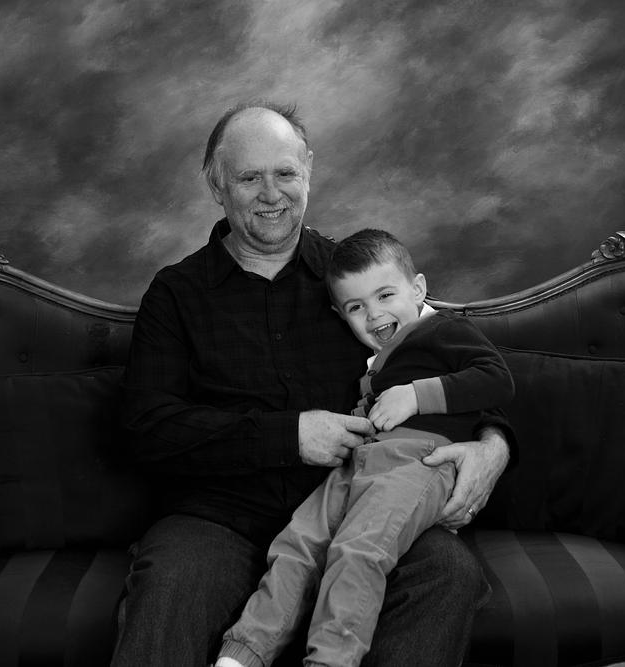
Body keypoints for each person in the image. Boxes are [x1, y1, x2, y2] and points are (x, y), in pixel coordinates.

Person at [112, 101, 512, 666]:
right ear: (216, 185)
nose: (271, 193)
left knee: (447, 573)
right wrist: (289, 436)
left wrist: (492, 448)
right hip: (217, 521)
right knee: (169, 588)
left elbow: (456, 358)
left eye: (285, 173)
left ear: (309, 172)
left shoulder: (357, 281)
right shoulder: (176, 295)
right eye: (249, 178)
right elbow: (146, 429)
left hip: (358, 506)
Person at [214, 228, 515, 667]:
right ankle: (242, 654)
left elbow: (497, 378)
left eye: (386, 295)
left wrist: (415, 396)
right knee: (297, 543)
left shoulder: (444, 330)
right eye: (356, 307)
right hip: (360, 463)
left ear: (418, 289)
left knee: (358, 549)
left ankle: (330, 659)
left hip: (419, 460)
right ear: (340, 315)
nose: (374, 314)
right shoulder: (376, 359)